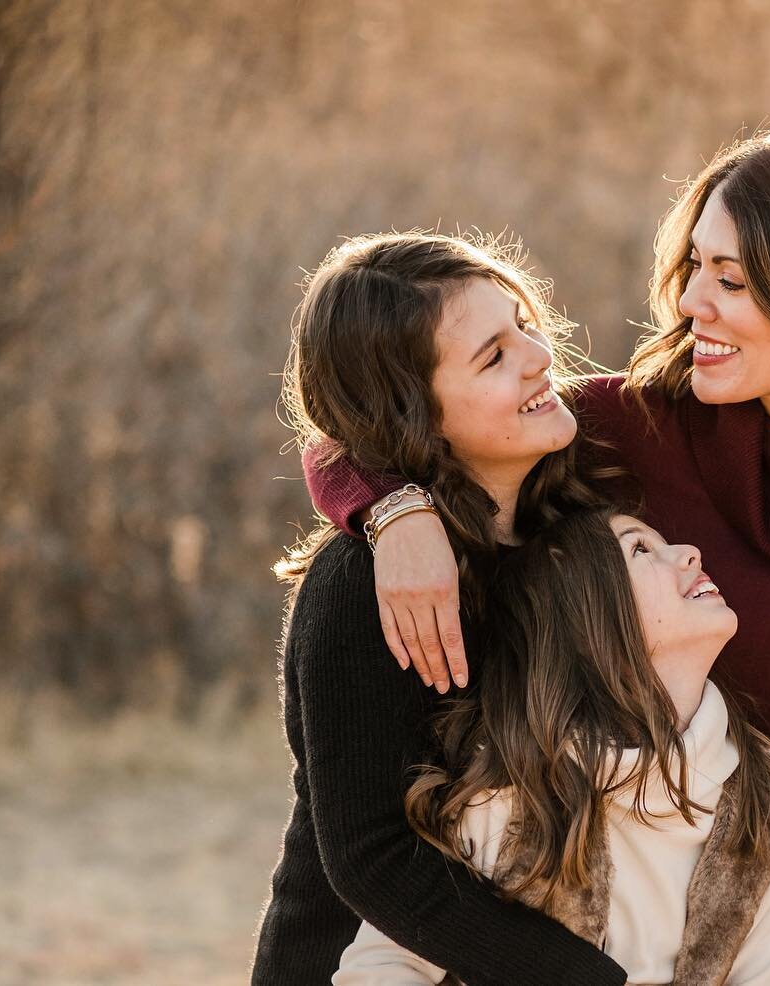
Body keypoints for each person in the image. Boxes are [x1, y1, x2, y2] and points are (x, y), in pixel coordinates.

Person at [304, 126, 770, 984]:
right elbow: (391, 414)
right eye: (693, 268)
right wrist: (392, 508)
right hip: (687, 961)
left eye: (733, 279)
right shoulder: (631, 431)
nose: (692, 302)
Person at [252, 231, 635, 984]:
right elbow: (369, 859)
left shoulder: (564, 506)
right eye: (493, 355)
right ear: (411, 416)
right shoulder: (361, 589)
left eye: (524, 324)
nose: (539, 356)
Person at [333, 507, 770, 984]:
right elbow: (379, 970)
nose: (689, 554)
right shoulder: (513, 793)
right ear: (589, 616)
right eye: (641, 549)